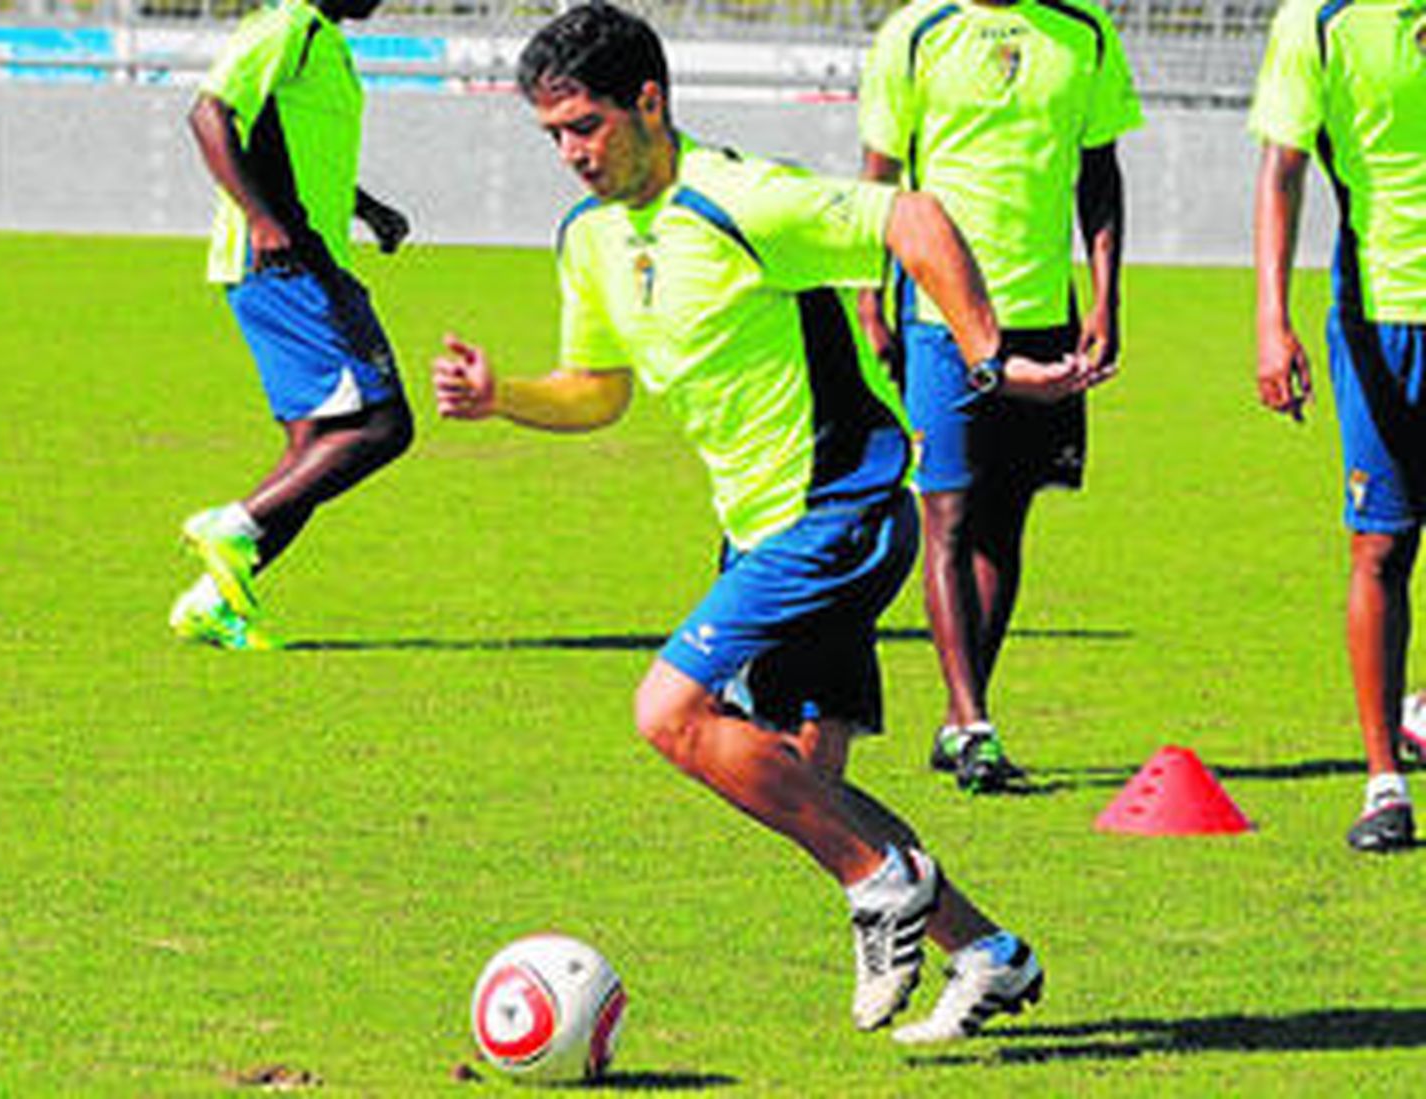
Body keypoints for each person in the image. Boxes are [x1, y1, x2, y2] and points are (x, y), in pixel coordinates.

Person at [434, 2, 1111, 1042]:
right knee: (803, 777)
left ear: (649, 102)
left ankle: (883, 884)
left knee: (667, 712)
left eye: (586, 126)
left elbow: (915, 219)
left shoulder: (741, 198)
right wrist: (501, 397)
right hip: (758, 529)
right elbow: (595, 391)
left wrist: (981, 356)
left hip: (839, 504)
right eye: (554, 135)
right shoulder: (589, 240)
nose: (570, 153)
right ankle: (985, 952)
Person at [856, 0, 1143, 792]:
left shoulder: (1081, 30)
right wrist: (870, 296)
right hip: (937, 311)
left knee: (1005, 518)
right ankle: (975, 721)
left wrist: (1105, 296)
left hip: (1044, 311)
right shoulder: (915, 31)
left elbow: (1101, 174)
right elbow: (878, 177)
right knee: (945, 511)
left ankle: (961, 717)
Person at [169, 0, 414, 651]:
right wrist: (261, 219)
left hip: (296, 262)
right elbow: (208, 113)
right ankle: (232, 526)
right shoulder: (290, 25)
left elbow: (297, 151)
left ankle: (210, 603)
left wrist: (367, 207)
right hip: (289, 265)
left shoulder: (321, 37)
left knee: (316, 450)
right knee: (384, 426)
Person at [1250, 0, 1426, 852]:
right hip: (1380, 318)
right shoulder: (1319, 21)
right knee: (1381, 546)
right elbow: (1281, 169)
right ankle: (1384, 780)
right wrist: (1269, 321)